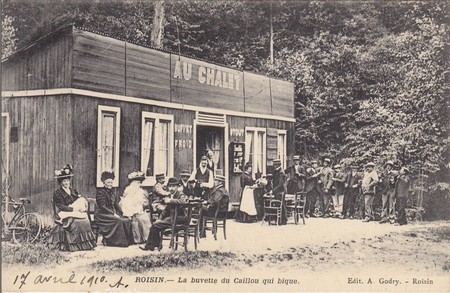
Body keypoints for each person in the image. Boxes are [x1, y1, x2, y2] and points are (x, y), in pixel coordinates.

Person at [48, 164, 96, 251]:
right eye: (64, 181)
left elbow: (78, 200)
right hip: (65, 212)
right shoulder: (57, 193)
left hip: (75, 210)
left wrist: (80, 207)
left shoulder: (73, 190)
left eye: (67, 181)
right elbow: (60, 206)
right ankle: (74, 245)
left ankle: (85, 244)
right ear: (61, 182)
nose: (66, 183)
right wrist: (73, 209)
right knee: (77, 223)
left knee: (85, 220)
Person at [140, 177, 188, 251]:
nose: (171, 188)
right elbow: (166, 210)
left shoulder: (180, 194)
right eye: (170, 186)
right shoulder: (170, 195)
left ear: (177, 187)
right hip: (172, 218)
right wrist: (160, 219)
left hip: (179, 218)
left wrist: (171, 200)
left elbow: (183, 201)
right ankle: (156, 245)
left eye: (173, 186)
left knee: (155, 225)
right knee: (156, 224)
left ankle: (151, 246)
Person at [95, 171, 133, 247]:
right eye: (108, 182)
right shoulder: (100, 192)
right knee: (118, 220)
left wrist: (123, 213)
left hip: (111, 213)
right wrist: (113, 214)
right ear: (104, 182)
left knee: (126, 219)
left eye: (111, 182)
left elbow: (116, 204)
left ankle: (127, 242)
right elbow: (103, 207)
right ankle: (113, 242)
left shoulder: (112, 192)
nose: (110, 184)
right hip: (102, 214)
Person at [120, 171, 151, 244]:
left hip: (138, 209)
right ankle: (136, 239)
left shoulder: (140, 191)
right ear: (132, 183)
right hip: (129, 210)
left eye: (140, 183)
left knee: (144, 218)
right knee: (135, 221)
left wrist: (142, 206)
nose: (139, 184)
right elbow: (125, 202)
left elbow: (143, 202)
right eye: (137, 182)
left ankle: (147, 238)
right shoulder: (128, 190)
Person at [270, 159, 288, 224]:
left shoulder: (281, 172)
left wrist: (273, 190)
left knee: (281, 205)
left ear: (278, 165)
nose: (274, 166)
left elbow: (280, 184)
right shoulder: (276, 171)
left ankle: (283, 220)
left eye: (275, 165)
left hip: (280, 191)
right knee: (279, 205)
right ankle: (279, 219)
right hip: (277, 191)